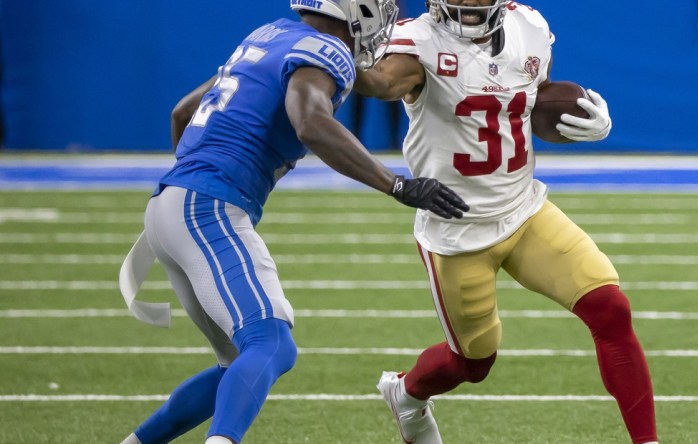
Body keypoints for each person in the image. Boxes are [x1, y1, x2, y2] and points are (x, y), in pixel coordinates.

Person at [118, 1, 470, 443]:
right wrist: (396, 185)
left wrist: (195, 183)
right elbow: (311, 124)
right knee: (272, 344)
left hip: (173, 205)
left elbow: (182, 113)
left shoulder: (267, 35)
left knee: (236, 367)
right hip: (205, 206)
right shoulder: (329, 48)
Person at [353, 1, 659, 443]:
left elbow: (537, 101)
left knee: (611, 309)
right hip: (457, 231)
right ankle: (406, 393)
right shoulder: (417, 42)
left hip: (524, 211)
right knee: (473, 363)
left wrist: (584, 119)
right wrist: (339, 52)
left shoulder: (528, 26)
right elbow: (381, 83)